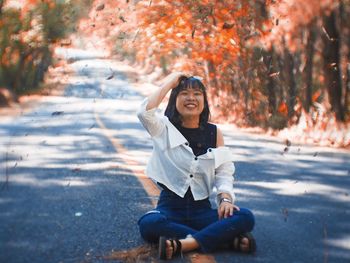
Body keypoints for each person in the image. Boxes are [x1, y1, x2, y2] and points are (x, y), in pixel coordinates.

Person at [136, 72, 256, 260]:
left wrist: (225, 199)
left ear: (204, 101)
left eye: (197, 93)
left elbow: (223, 171)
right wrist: (171, 81)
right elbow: (144, 112)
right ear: (175, 99)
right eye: (184, 93)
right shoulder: (163, 129)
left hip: (202, 210)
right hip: (170, 208)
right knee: (149, 224)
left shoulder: (214, 132)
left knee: (246, 216)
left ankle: (184, 244)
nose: (191, 97)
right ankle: (223, 239)